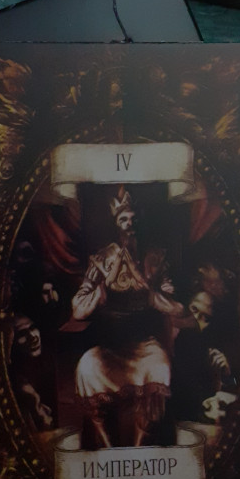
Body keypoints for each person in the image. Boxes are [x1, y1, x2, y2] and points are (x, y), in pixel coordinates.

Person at [70, 188, 183, 448]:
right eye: (123, 219)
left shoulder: (155, 258)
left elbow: (176, 306)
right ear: (116, 224)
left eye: (133, 219)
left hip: (145, 345)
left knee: (160, 367)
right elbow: (77, 308)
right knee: (87, 367)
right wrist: (99, 293)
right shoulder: (102, 259)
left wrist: (152, 295)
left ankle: (140, 446)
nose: (129, 224)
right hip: (111, 347)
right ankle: (108, 446)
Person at [172, 290, 236, 423]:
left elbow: (230, 389)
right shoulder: (167, 342)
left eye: (205, 318)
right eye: (194, 309)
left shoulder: (207, 352)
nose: (195, 319)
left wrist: (225, 375)